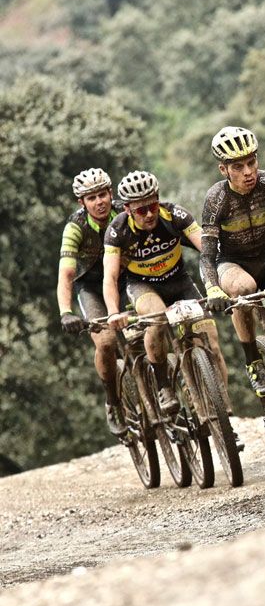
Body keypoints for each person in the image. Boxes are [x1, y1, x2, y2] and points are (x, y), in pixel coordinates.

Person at [103, 171, 231, 425]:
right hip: (142, 286)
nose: (149, 214)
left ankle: (222, 408)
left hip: (178, 281)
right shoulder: (117, 231)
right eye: (141, 211)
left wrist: (217, 284)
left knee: (211, 341)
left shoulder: (175, 215)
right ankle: (164, 385)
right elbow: (109, 277)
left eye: (152, 206)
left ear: (158, 199)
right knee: (157, 320)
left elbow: (208, 250)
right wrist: (113, 312)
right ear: (128, 209)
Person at [199, 126, 265, 403]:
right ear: (223, 170)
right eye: (238, 166)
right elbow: (207, 255)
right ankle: (253, 362)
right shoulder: (216, 199)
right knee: (244, 288)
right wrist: (213, 289)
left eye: (252, 162)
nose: (248, 172)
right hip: (232, 263)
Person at [56, 168, 126, 435]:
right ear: (81, 203)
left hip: (124, 281)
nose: (99, 202)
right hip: (92, 288)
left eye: (102, 195)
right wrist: (66, 312)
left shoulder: (123, 214)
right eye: (91, 198)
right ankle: (113, 399)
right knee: (106, 342)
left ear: (110, 193)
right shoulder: (75, 228)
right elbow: (66, 274)